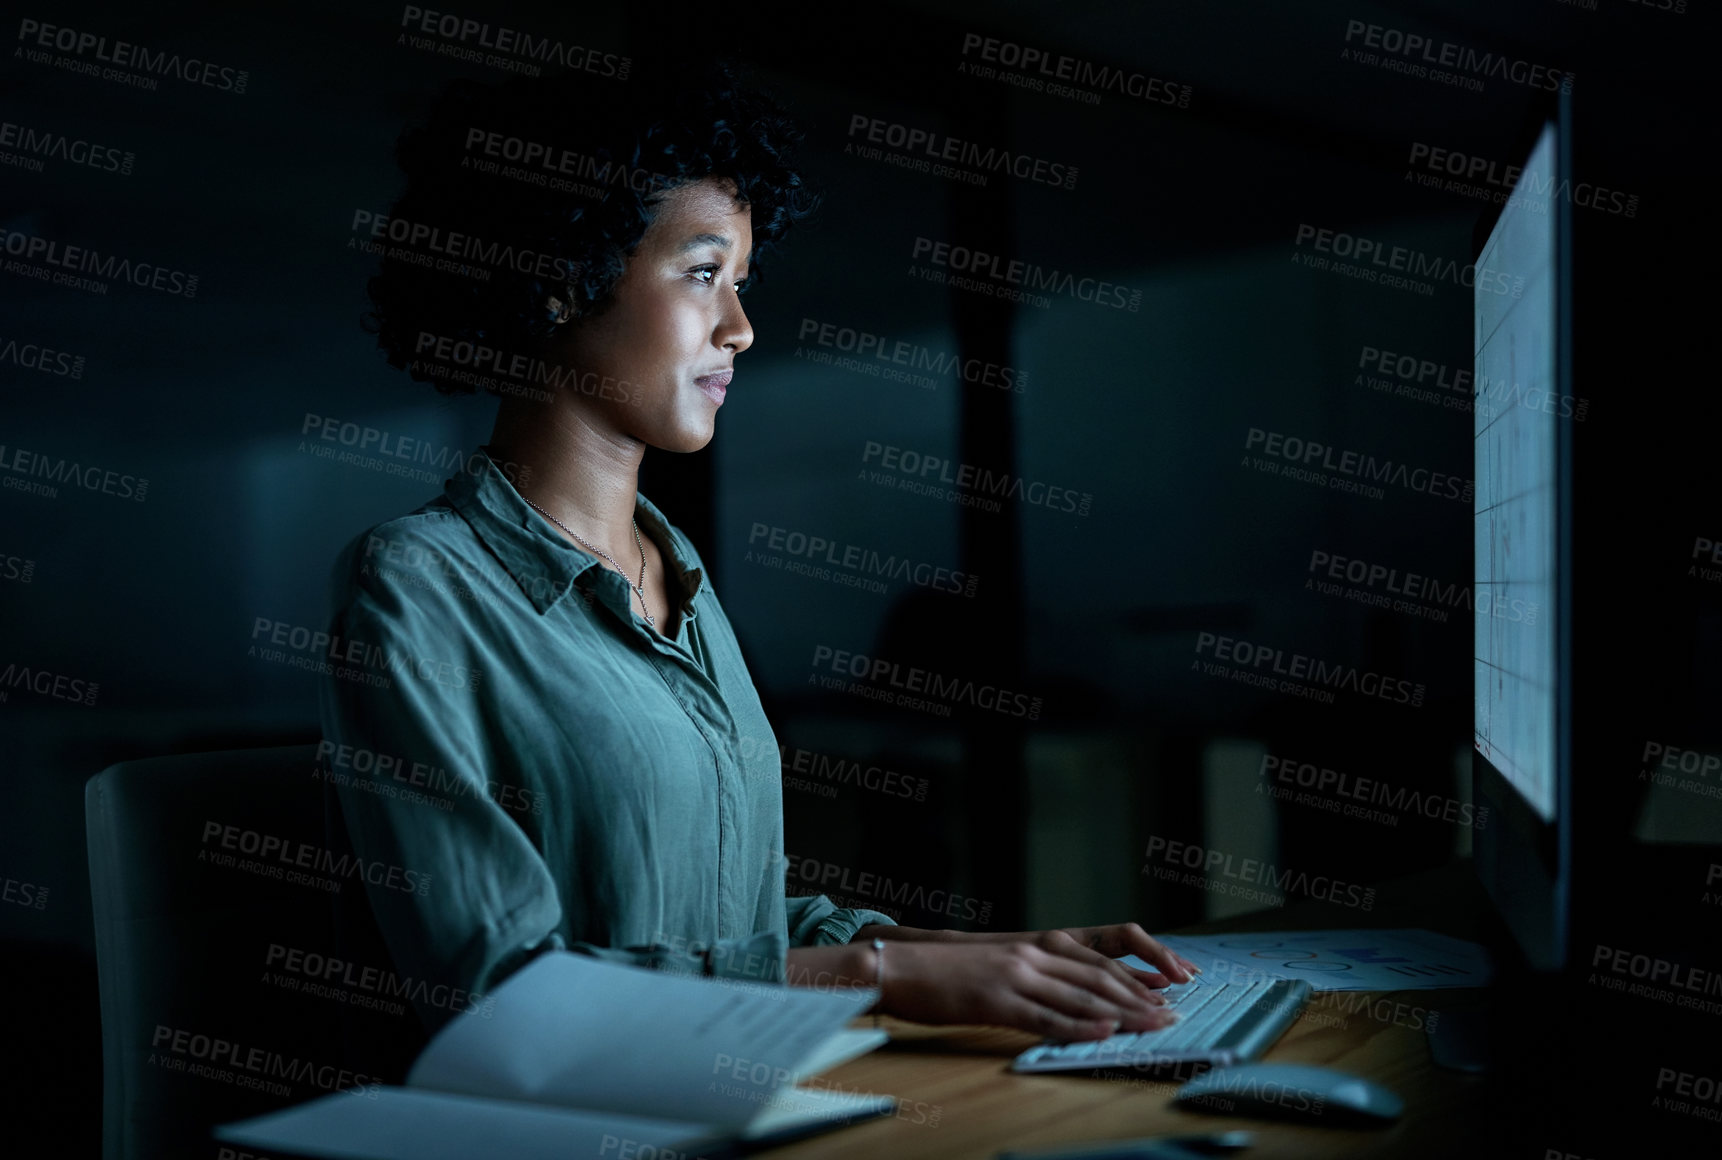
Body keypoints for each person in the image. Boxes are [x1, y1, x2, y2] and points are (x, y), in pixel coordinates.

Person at [320, 53, 1197, 1062]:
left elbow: (734, 917)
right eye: (702, 275)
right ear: (563, 277)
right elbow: (499, 999)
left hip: (741, 1092)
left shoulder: (677, 570)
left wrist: (980, 955)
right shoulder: (415, 585)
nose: (740, 327)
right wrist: (883, 977)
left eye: (741, 283)